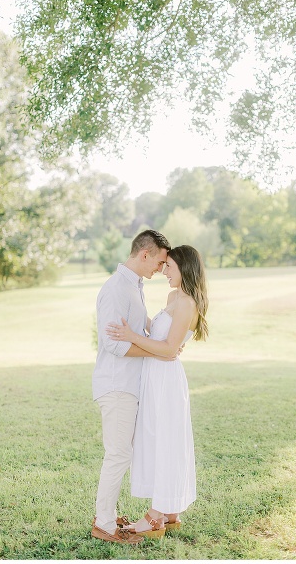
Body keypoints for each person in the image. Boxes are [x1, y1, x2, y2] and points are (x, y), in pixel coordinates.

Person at [106, 245, 208, 537]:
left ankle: (156, 516)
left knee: (165, 441)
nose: (164, 272)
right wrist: (139, 324)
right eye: (164, 266)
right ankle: (169, 510)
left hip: (166, 381)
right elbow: (161, 334)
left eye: (170, 267)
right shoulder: (173, 297)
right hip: (154, 375)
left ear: (185, 269)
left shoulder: (188, 302)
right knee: (155, 438)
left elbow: (167, 349)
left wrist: (131, 336)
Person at [91, 229, 172, 545]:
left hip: (130, 385)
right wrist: (157, 349)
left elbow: (136, 332)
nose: (160, 269)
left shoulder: (133, 287)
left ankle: (107, 515)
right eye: (160, 261)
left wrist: (156, 339)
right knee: (118, 454)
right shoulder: (115, 290)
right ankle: (105, 524)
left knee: (124, 453)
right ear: (145, 254)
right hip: (116, 385)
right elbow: (113, 345)